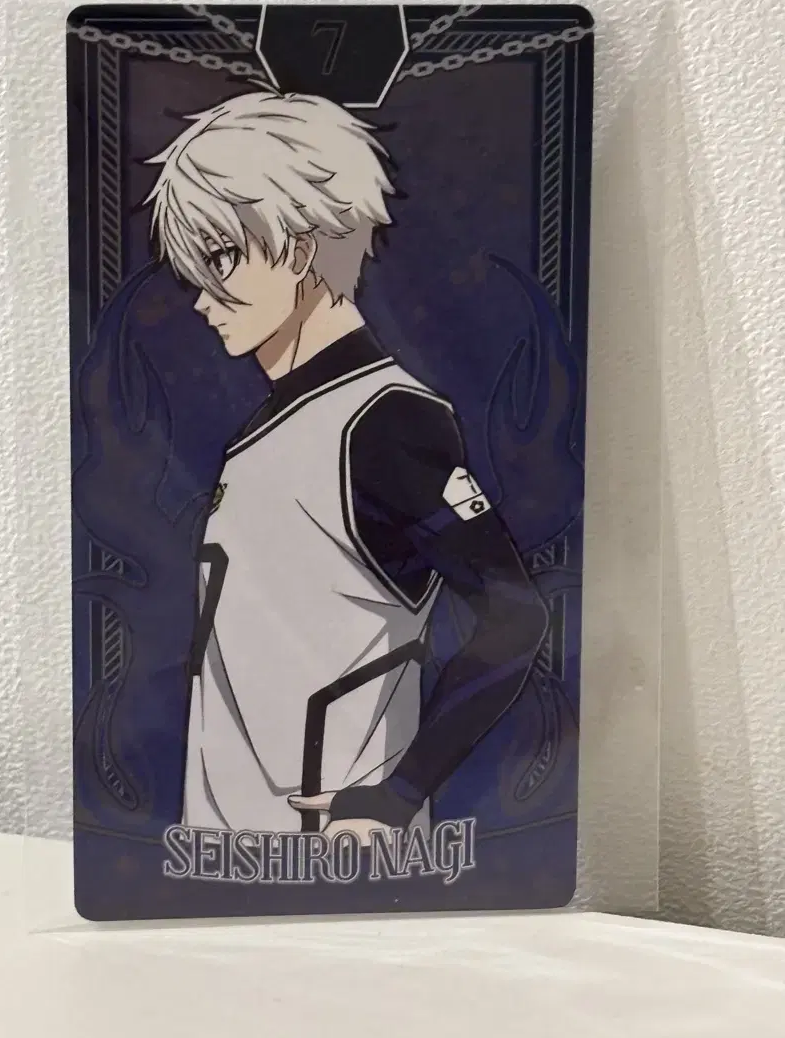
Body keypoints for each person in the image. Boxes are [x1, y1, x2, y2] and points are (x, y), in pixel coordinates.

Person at [145, 86, 549, 844]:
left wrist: (398, 795)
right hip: (228, 851)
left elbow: (514, 615)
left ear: (298, 250)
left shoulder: (385, 421)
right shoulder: (262, 432)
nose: (202, 299)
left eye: (221, 258)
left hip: (339, 857)